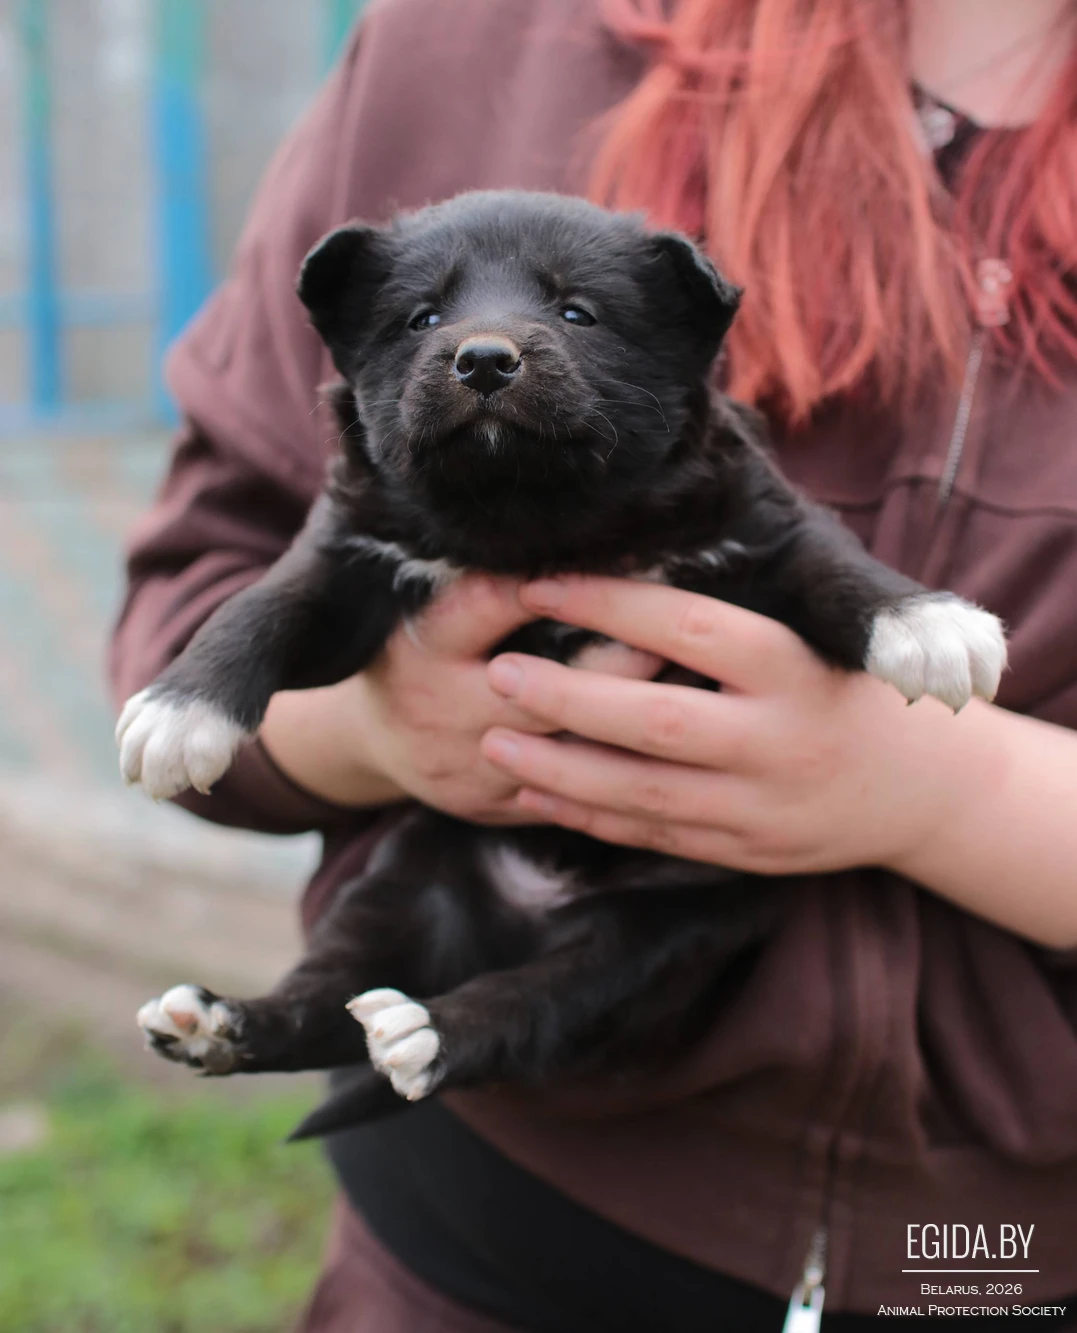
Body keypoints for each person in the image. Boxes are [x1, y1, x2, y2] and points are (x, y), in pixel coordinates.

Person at [110, 0, 1077, 1328]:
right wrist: (371, 733)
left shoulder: (714, 491)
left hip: (980, 1266)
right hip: (475, 1236)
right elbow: (219, 585)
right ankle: (288, 1027)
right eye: (426, 316)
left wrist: (941, 790)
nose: (485, 344)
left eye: (570, 311)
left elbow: (798, 561)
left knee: (593, 955)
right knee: (406, 913)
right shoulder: (464, 38)